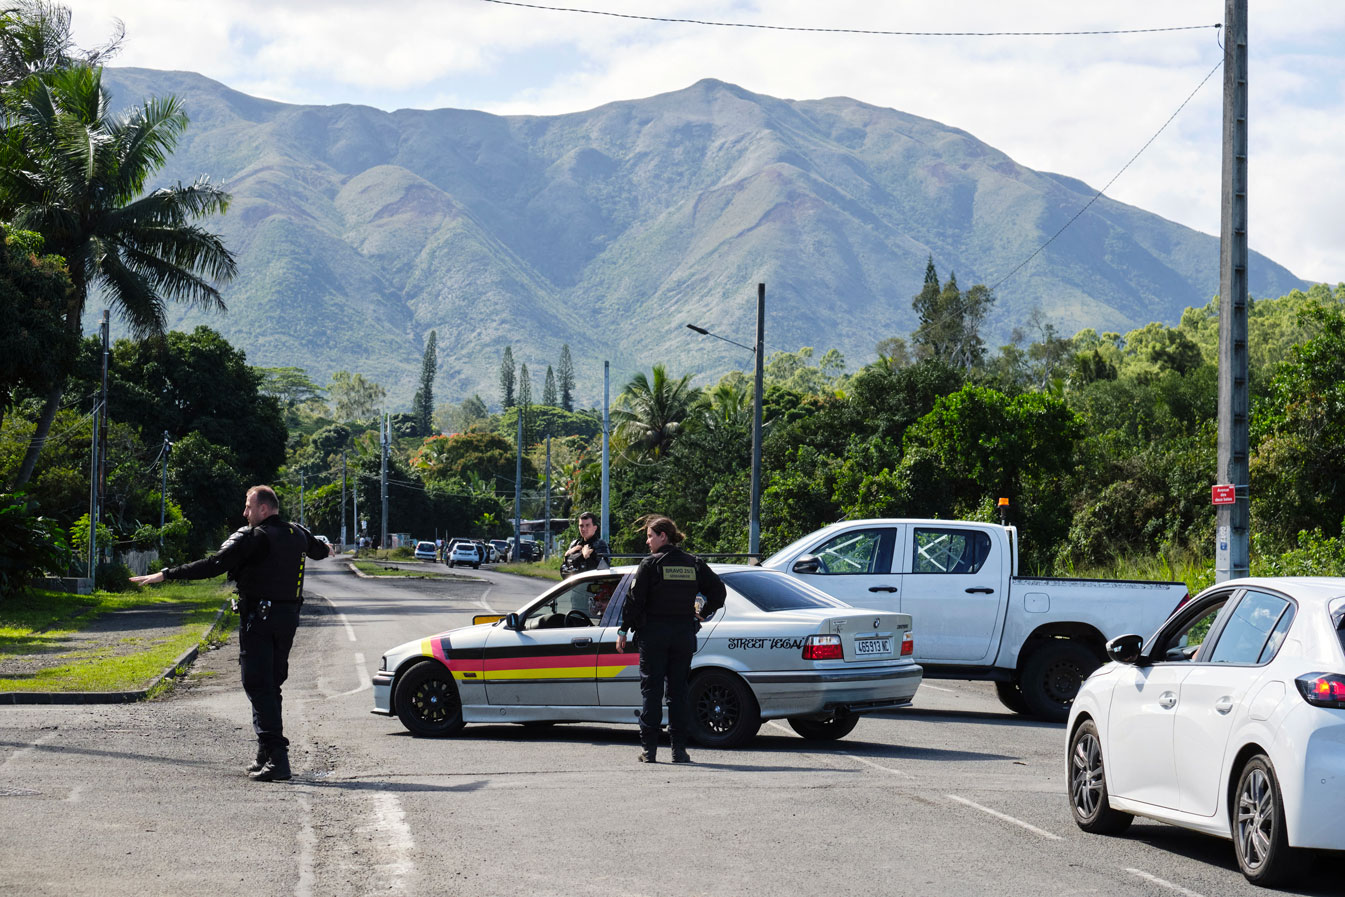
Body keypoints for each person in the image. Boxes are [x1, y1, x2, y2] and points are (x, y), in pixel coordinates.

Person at [130, 485, 334, 782]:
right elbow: (319, 550)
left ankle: (278, 758)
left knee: (257, 683)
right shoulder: (297, 533)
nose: (244, 513)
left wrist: (166, 574)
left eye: (248, 507)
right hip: (287, 618)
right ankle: (265, 753)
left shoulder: (257, 537)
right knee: (271, 684)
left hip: (259, 619)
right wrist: (328, 549)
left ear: (264, 509)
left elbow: (214, 565)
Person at [616, 515, 725, 764]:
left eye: (650, 535)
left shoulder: (650, 565)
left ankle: (649, 751)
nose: (647, 541)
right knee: (678, 692)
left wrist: (623, 630)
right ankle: (679, 751)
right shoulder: (694, 564)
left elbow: (634, 601)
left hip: (653, 636)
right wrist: (703, 614)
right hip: (683, 635)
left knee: (652, 692)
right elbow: (718, 592)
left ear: (663, 536)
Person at [560, 512, 610, 577]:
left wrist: (587, 557)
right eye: (581, 526)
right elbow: (564, 573)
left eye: (587, 525)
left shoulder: (600, 545)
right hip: (573, 584)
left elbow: (602, 573)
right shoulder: (574, 544)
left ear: (595, 528)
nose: (584, 529)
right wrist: (566, 555)